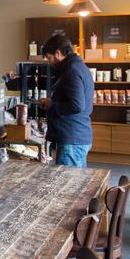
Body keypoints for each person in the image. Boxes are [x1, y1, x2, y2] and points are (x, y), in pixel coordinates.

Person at [39, 35, 93, 167]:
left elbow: (76, 105)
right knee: (76, 182)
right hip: (77, 135)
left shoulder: (72, 71)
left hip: (72, 137)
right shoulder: (79, 67)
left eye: (49, 57)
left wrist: (51, 104)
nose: (49, 62)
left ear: (58, 53)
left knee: (69, 184)